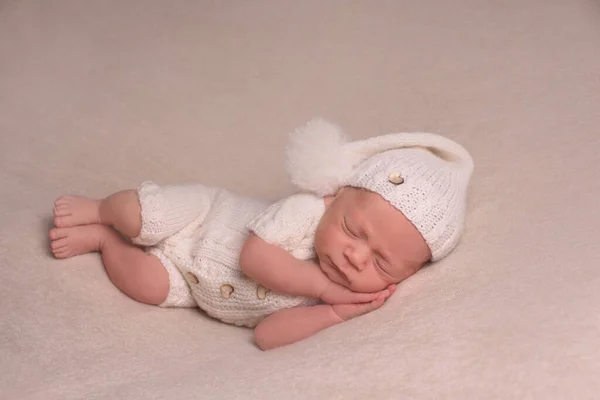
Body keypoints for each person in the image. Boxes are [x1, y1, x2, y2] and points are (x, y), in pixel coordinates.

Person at [49, 119, 474, 350]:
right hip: (200, 217)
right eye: (352, 230)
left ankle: (104, 239)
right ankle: (101, 209)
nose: (356, 257)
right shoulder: (308, 212)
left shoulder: (338, 297)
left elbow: (266, 336)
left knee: (146, 285)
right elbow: (255, 258)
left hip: (193, 285)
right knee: (143, 215)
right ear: (334, 197)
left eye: (382, 263)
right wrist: (325, 290)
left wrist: (336, 314)